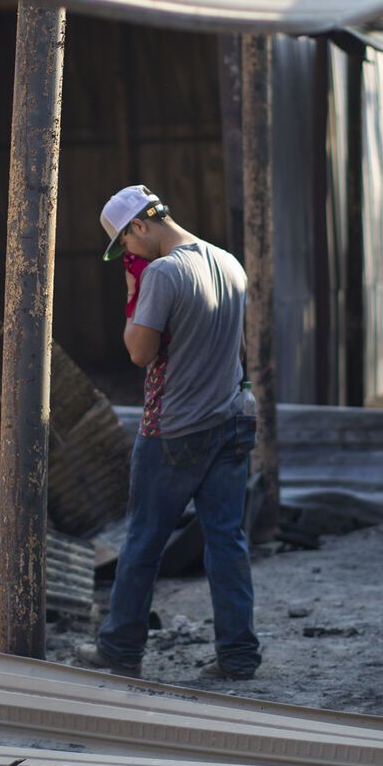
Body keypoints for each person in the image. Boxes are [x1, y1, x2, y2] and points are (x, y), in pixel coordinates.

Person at [75, 184, 260, 681]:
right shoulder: (228, 262)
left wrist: (134, 292)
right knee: (227, 542)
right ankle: (239, 655)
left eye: (125, 244)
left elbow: (139, 352)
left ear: (139, 225)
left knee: (142, 543)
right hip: (233, 419)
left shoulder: (161, 273)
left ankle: (120, 651)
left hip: (175, 428)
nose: (127, 255)